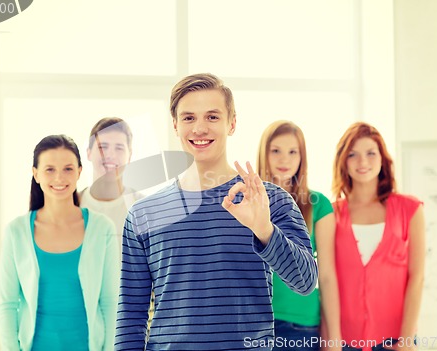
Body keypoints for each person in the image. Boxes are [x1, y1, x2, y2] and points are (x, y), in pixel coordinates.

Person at [115, 73, 318, 351]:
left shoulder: (270, 200)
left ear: (231, 123)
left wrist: (264, 231)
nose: (199, 128)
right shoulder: (144, 214)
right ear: (175, 125)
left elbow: (306, 282)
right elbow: (130, 315)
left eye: (212, 117)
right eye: (188, 118)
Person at [0, 135, 119, 351]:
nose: (59, 178)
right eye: (50, 169)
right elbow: (7, 304)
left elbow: (110, 302)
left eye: (68, 169)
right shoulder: (16, 232)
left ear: (79, 172)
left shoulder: (103, 228)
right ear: (36, 174)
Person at [332, 122, 425, 351]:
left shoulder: (410, 209)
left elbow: (417, 277)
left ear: (382, 159)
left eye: (371, 153)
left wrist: (405, 340)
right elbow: (326, 281)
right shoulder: (331, 213)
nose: (363, 162)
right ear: (343, 161)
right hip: (343, 341)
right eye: (353, 154)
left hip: (395, 341)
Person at [257, 120, 341, 351]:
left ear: (302, 156)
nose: (285, 159)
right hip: (255, 323)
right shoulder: (247, 201)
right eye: (276, 150)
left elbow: (327, 276)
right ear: (264, 153)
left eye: (293, 151)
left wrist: (333, 338)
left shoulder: (319, 204)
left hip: (301, 325)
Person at [80, 117, 144, 244]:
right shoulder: (72, 204)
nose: (110, 155)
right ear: (88, 153)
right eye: (103, 147)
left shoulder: (143, 208)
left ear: (129, 155)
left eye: (119, 148)